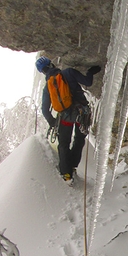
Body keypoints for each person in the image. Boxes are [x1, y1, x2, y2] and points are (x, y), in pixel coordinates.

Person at [35, 56, 101, 184]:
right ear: (52, 64)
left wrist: (53, 123)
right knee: (79, 139)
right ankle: (73, 165)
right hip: (81, 114)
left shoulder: (47, 87)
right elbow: (87, 82)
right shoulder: (69, 72)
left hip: (64, 118)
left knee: (64, 144)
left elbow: (44, 109)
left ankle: (66, 173)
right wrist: (90, 72)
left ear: (42, 72)